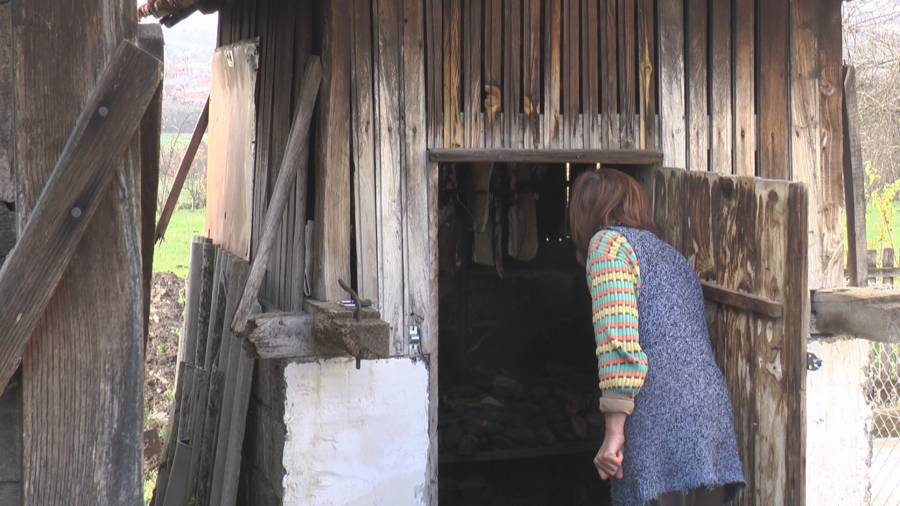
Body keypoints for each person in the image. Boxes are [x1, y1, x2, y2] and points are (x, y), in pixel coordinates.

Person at [568, 169, 746, 506]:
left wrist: (614, 432)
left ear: (584, 212)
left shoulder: (607, 244)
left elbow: (618, 341)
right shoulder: (671, 255)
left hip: (660, 415)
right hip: (710, 415)